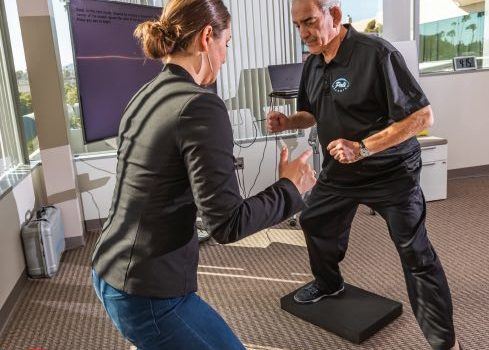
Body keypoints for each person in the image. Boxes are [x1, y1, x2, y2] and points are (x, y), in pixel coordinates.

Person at [91, 0, 316, 349]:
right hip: (148, 293)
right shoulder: (200, 105)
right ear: (207, 37)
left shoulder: (144, 95)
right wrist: (290, 187)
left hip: (108, 267)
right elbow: (227, 223)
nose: (225, 57)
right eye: (226, 45)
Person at [267, 1, 461, 349]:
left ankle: (445, 343)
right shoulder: (312, 63)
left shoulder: (375, 53)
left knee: (416, 253)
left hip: (391, 173)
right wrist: (288, 122)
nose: (303, 33)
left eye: (309, 22)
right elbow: (311, 114)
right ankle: (329, 283)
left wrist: (364, 147)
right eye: (297, 26)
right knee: (314, 221)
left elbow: (422, 117)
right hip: (340, 171)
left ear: (335, 15)